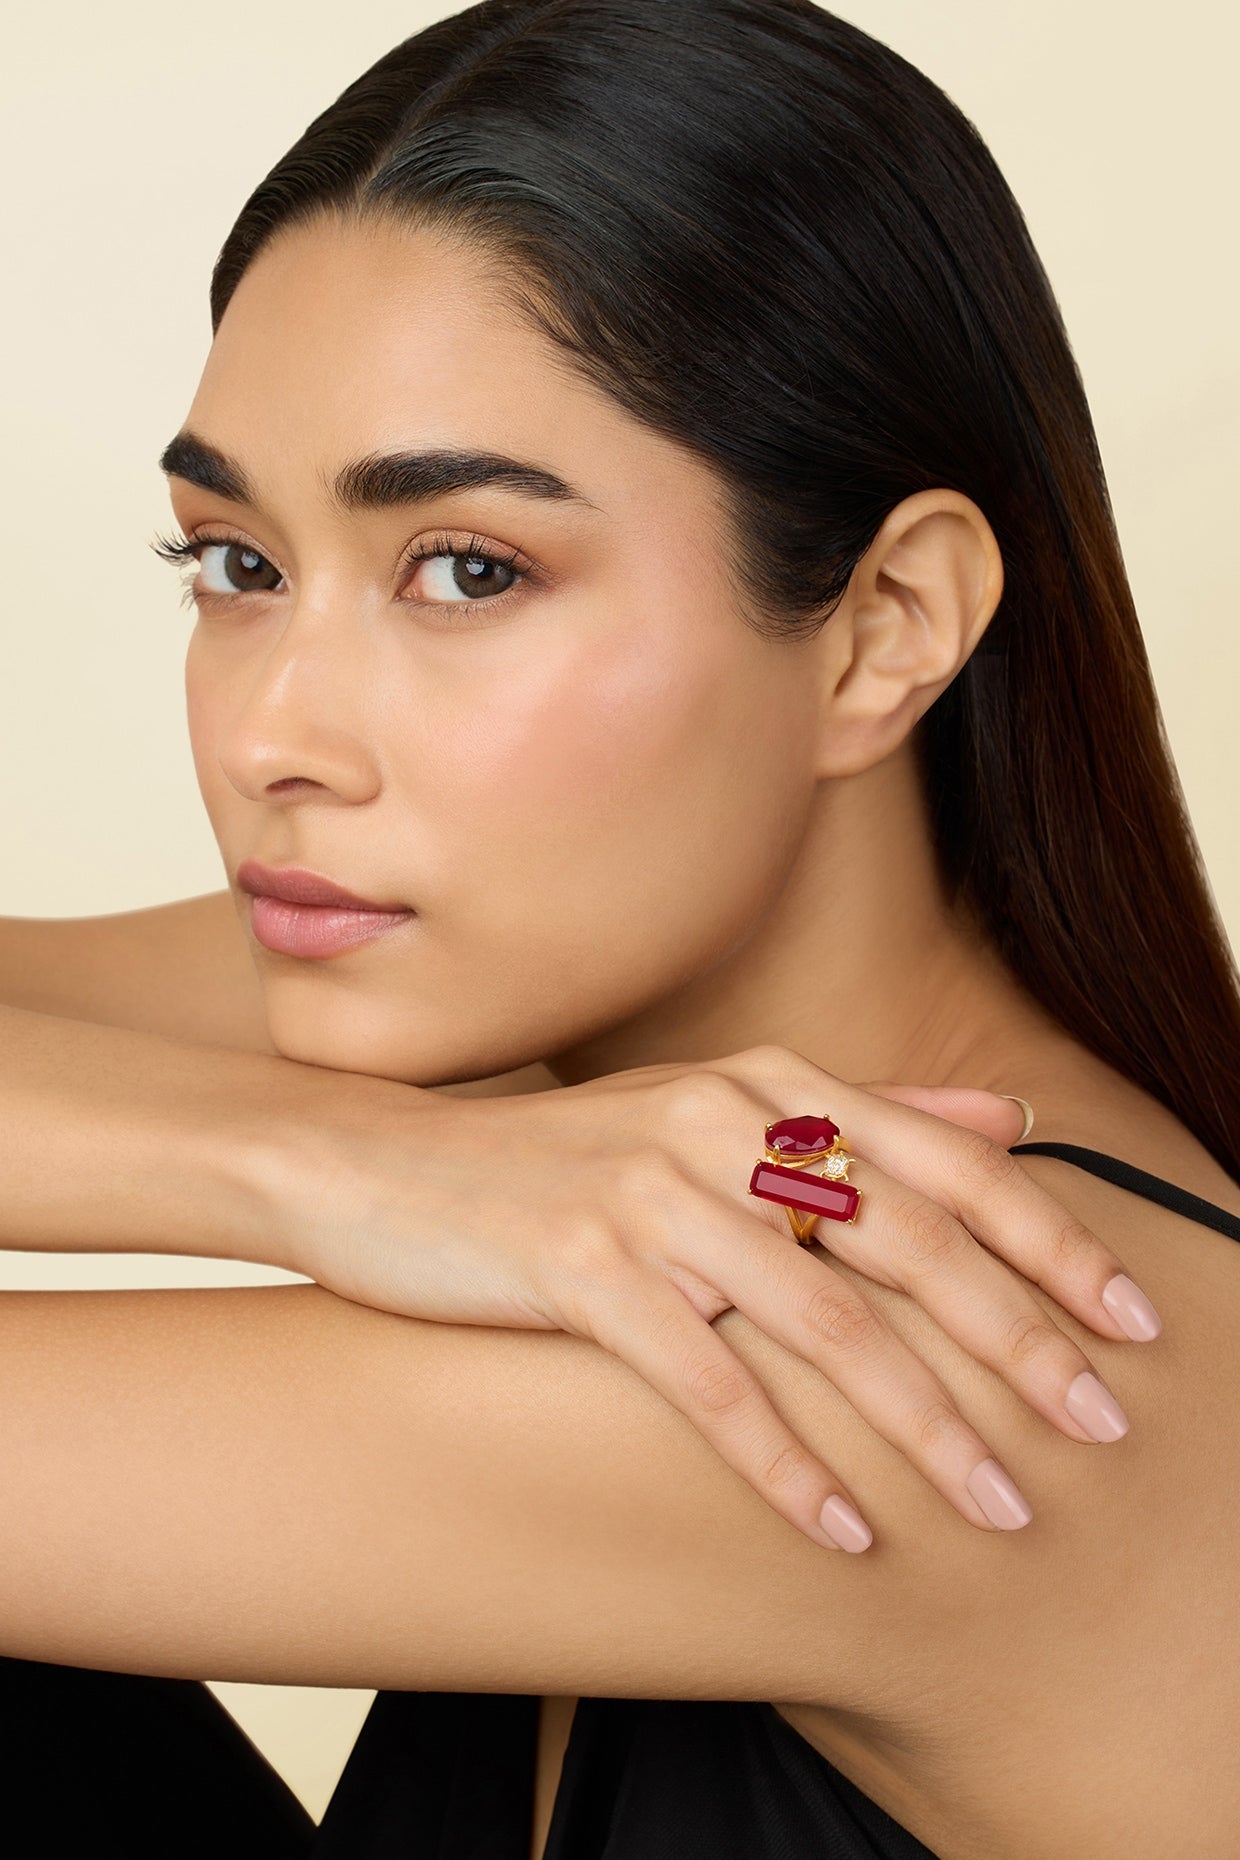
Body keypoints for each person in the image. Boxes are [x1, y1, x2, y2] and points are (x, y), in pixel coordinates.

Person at [0, 0, 1237, 1854]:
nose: (270, 739)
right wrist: (318, 1162)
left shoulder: (963, 1351)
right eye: (239, 568)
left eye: (470, 570)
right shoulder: (536, 1044)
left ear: (887, 623)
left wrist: (359, 1160)